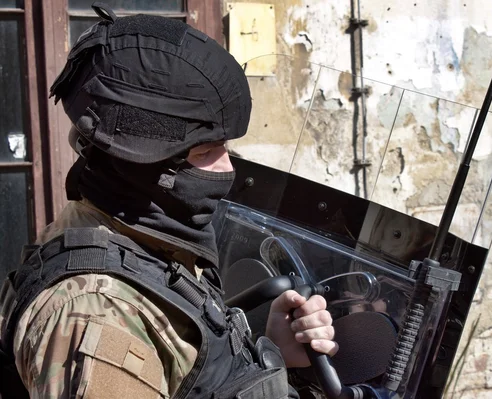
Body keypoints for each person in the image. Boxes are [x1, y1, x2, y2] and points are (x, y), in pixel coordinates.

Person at [0, 3, 337, 398]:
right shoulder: (95, 317)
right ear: (141, 166)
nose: (226, 168)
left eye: (224, 146)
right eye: (203, 153)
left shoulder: (147, 238)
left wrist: (273, 353)